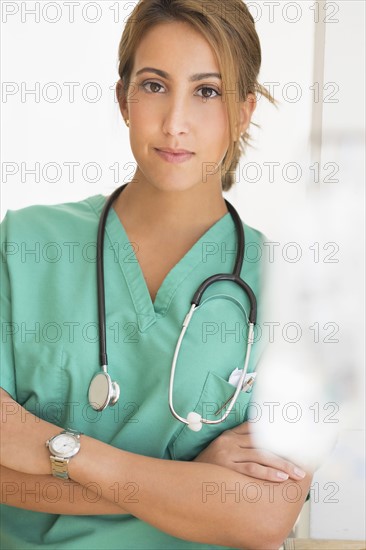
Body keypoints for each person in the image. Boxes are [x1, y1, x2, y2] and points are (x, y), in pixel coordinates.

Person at [0, 1, 313, 548]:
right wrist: (195, 479)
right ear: (124, 98)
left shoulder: (294, 289)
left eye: (207, 91)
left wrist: (59, 451)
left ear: (244, 112)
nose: (175, 123)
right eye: (153, 85)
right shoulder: (24, 244)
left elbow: (263, 517)